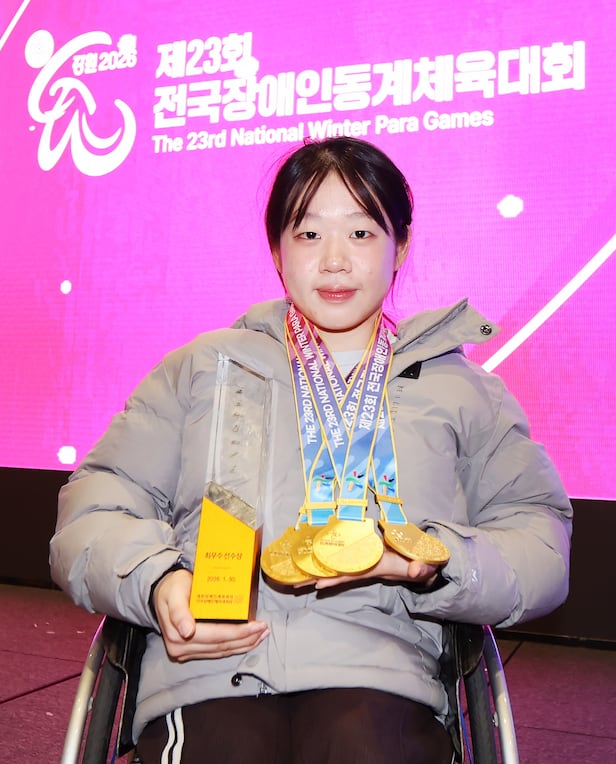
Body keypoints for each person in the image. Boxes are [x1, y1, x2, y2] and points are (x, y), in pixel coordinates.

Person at [50, 137, 572, 764]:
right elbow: (94, 510)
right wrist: (157, 580)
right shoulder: (203, 368)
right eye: (308, 234)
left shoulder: (461, 390)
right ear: (277, 251)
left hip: (382, 672)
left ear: (401, 246)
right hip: (209, 669)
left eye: (361, 233)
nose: (334, 261)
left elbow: (539, 540)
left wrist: (435, 561)